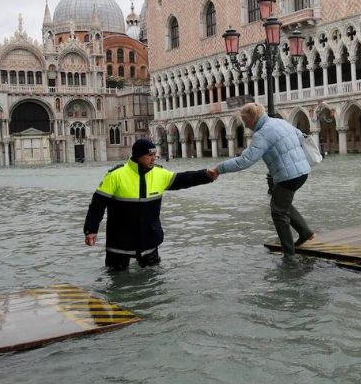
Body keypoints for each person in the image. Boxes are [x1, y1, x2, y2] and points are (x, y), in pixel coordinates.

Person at [84, 139, 218, 270]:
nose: (154, 158)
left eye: (155, 155)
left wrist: (206, 175)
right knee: (116, 282)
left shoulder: (160, 174)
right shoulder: (115, 176)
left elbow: (184, 179)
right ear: (138, 156)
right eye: (150, 155)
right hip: (120, 241)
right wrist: (91, 230)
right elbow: (97, 205)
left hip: (149, 240)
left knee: (153, 280)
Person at [209, 103, 314, 257]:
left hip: (288, 176)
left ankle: (289, 254)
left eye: (246, 122)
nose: (246, 126)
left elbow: (244, 161)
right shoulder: (280, 122)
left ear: (252, 118)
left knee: (278, 212)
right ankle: (305, 233)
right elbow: (300, 136)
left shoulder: (262, 134)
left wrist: (219, 168)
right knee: (282, 204)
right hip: (302, 171)